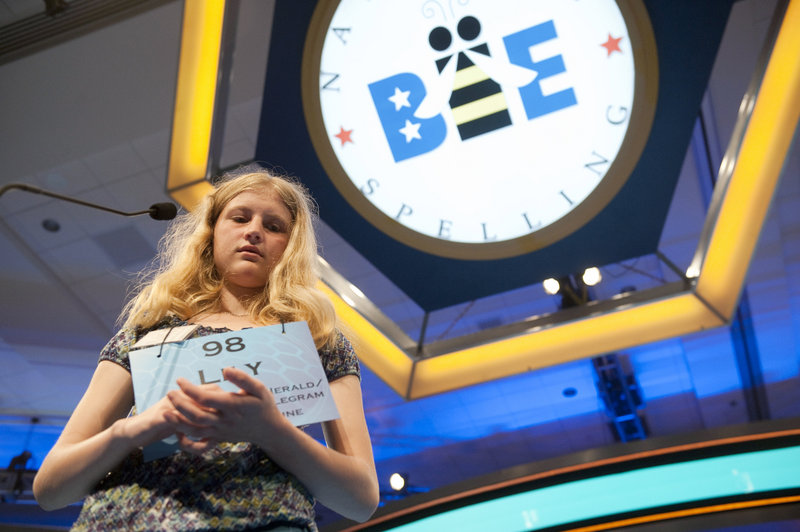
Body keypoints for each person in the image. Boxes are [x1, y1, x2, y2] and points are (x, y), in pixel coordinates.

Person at [33, 168, 379, 531]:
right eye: (240, 217)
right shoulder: (149, 329)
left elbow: (360, 500)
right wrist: (139, 428)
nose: (254, 231)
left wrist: (270, 430)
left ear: (289, 247)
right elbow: (51, 489)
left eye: (274, 226)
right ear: (211, 232)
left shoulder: (317, 336)